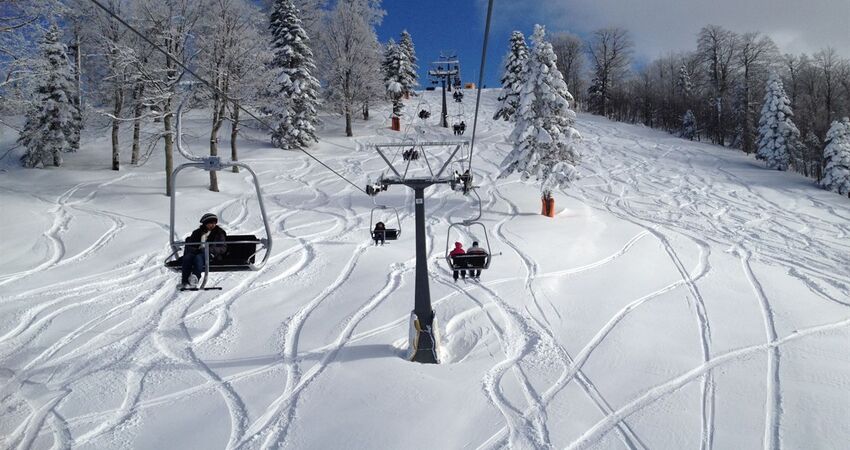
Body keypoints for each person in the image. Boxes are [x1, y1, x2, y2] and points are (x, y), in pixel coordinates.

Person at [180, 213, 227, 289]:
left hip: (211, 254)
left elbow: (223, 248)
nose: (213, 225)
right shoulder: (197, 233)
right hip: (196, 252)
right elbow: (190, 245)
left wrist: (209, 249)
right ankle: (185, 282)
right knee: (187, 257)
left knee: (199, 257)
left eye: (214, 223)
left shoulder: (219, 233)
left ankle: (195, 279)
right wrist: (195, 249)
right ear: (205, 223)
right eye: (210, 223)